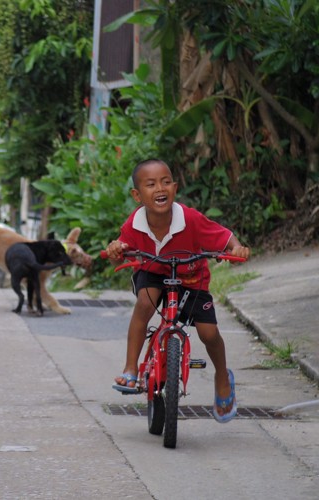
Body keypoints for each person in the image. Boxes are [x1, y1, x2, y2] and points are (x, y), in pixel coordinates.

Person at [104, 159, 250, 423]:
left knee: (209, 333)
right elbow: (119, 255)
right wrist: (116, 250)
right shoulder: (134, 224)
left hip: (190, 277)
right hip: (152, 272)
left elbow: (226, 238)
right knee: (145, 305)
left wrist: (236, 249)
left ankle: (221, 376)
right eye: (151, 184)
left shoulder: (190, 218)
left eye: (165, 181)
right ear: (138, 195)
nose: (160, 188)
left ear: (175, 186)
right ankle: (130, 368)